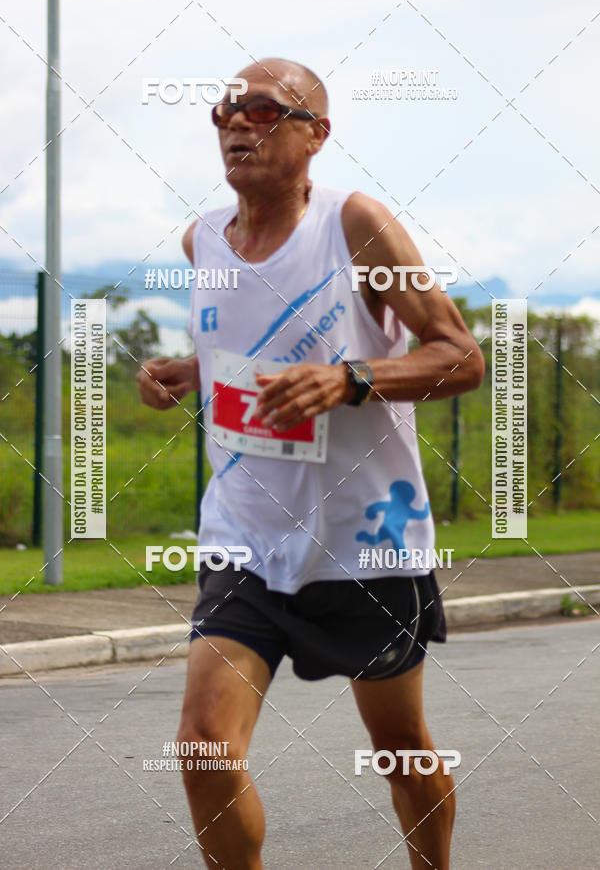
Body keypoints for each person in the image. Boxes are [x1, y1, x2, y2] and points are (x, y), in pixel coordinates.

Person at [136, 56, 485, 870]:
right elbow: (239, 348)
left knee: (398, 744)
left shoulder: (355, 225)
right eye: (223, 110)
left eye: (261, 109)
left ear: (316, 134)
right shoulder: (202, 241)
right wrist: (192, 374)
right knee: (203, 748)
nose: (234, 123)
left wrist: (350, 378)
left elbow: (460, 357)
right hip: (247, 538)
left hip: (364, 539)